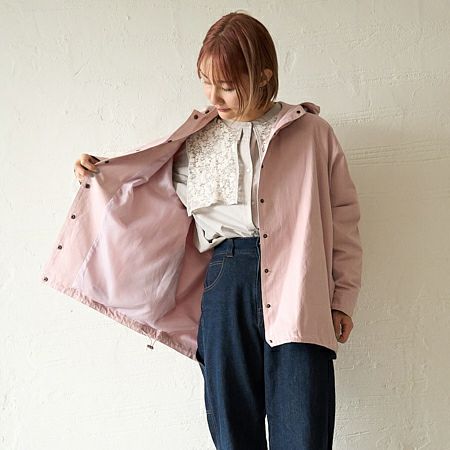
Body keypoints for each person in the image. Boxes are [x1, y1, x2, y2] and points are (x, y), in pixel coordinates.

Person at [71, 11, 362, 450]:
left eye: (226, 84)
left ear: (263, 76)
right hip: (225, 278)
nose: (213, 96)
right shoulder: (196, 137)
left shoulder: (312, 133)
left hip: (300, 283)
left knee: (303, 428)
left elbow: (343, 219)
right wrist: (100, 172)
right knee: (232, 430)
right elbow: (148, 193)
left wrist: (342, 298)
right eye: (206, 82)